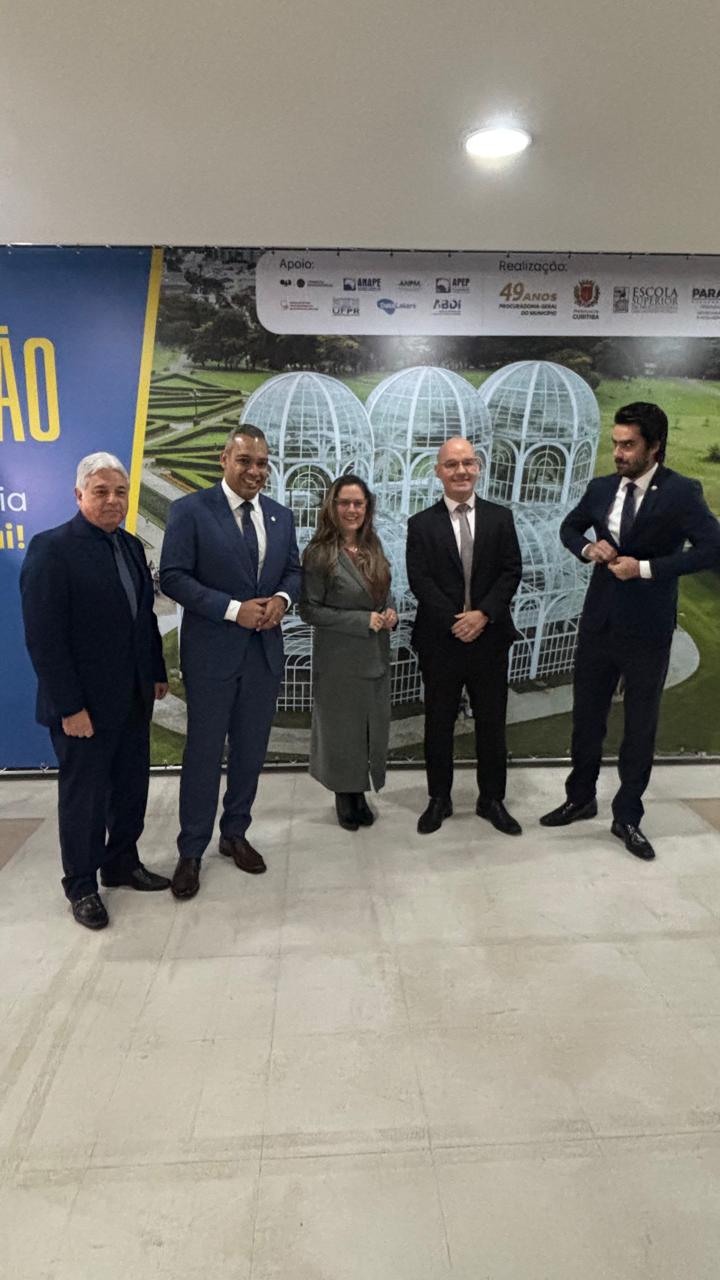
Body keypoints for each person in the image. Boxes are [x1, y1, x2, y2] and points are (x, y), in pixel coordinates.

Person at [540, 402, 720, 860]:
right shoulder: (601, 487)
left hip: (648, 629)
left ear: (654, 446)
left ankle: (627, 816)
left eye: (628, 445)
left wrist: (644, 568)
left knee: (639, 726)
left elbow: (711, 549)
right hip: (598, 623)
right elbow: (570, 527)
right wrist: (588, 549)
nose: (618, 453)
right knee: (586, 719)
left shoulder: (681, 492)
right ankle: (580, 798)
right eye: (615, 443)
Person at [20, 453, 170, 930]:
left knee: (129, 789)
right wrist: (70, 707)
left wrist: (156, 670)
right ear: (78, 495)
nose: (112, 500)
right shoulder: (52, 549)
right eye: (101, 491)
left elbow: (143, 617)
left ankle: (121, 863)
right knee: (84, 799)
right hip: (82, 707)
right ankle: (82, 885)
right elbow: (44, 638)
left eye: (120, 492)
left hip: (132, 697)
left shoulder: (129, 545)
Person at [159, 425, 301, 898]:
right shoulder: (190, 511)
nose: (255, 471)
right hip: (211, 657)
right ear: (224, 460)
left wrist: (282, 599)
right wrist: (232, 609)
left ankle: (235, 832)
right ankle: (191, 849)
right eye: (245, 461)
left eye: (262, 463)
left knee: (250, 751)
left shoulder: (280, 516)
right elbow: (173, 577)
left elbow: (293, 572)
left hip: (263, 655)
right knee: (203, 754)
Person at [406, 436, 523, 835]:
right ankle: (439, 798)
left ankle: (492, 799)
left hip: (490, 639)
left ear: (478, 468)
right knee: (438, 724)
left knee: (492, 724)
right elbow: (420, 580)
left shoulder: (500, 518)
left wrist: (483, 615)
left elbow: (511, 571)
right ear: (438, 471)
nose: (461, 471)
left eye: (468, 463)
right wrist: (458, 621)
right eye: (452, 464)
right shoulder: (421, 524)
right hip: (441, 640)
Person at [300, 475, 397, 831]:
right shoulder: (318, 554)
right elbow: (309, 610)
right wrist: (361, 620)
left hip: (374, 656)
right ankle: (345, 794)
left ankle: (359, 790)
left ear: (367, 508)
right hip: (338, 659)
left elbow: (383, 592)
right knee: (342, 730)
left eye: (358, 503)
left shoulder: (374, 546)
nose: (352, 510)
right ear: (332, 506)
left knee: (368, 729)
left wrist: (390, 612)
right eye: (345, 503)